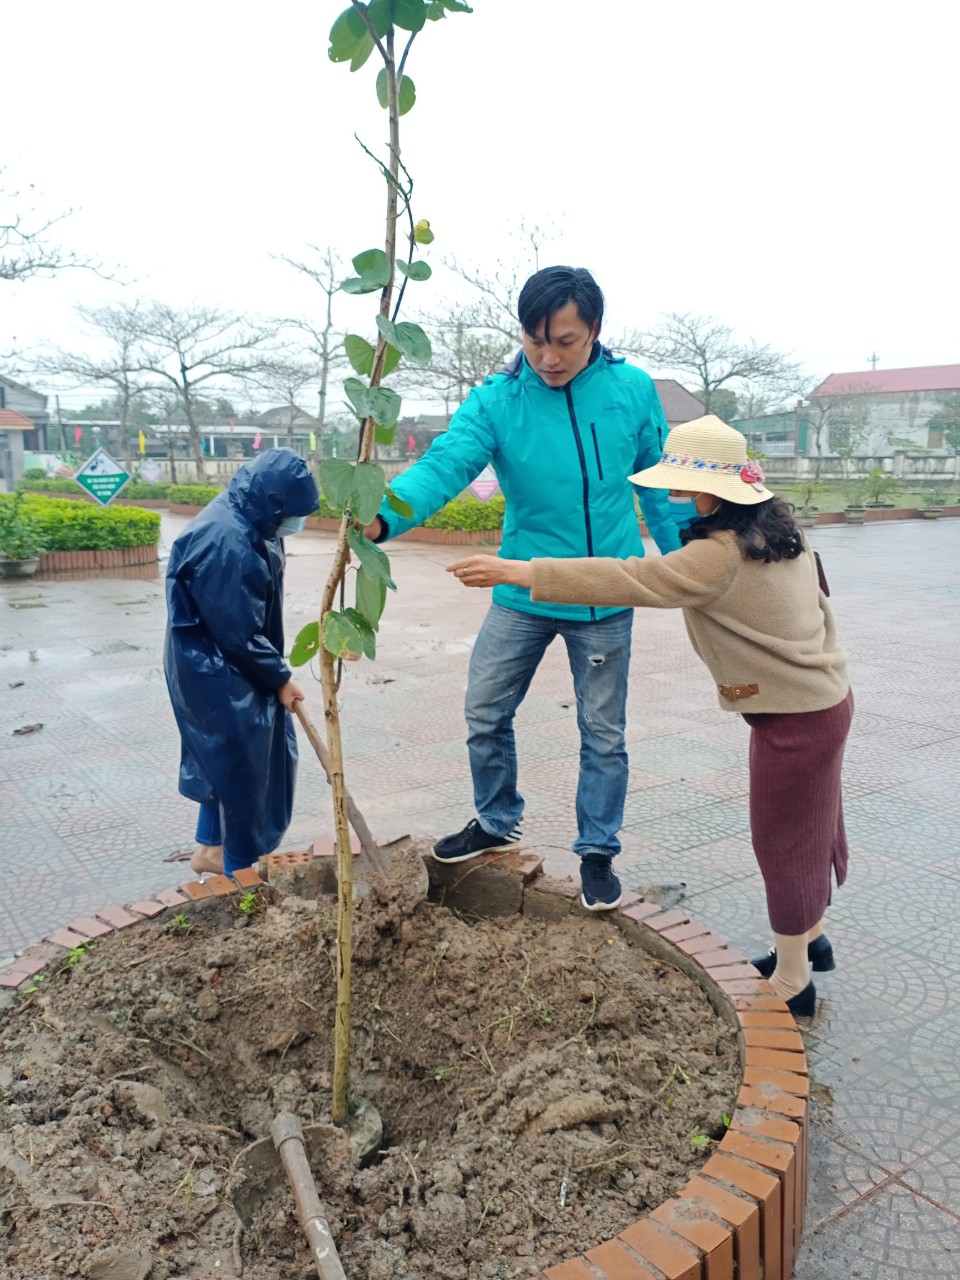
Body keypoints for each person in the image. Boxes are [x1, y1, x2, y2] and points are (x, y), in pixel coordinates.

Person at [447, 415, 853, 1017]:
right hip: (824, 700)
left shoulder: (718, 555)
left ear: (715, 491)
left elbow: (629, 577)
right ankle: (807, 941)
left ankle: (794, 980)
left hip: (794, 718)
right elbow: (821, 602)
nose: (678, 496)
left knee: (785, 842)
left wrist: (517, 571)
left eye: (687, 486)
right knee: (812, 826)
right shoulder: (782, 531)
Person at [364, 265, 682, 910]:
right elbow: (446, 465)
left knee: (603, 732)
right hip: (523, 592)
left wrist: (685, 567)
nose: (548, 356)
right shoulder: (497, 400)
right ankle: (494, 818)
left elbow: (658, 480)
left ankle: (598, 850)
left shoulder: (631, 390)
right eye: (536, 340)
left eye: (564, 340)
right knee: (485, 710)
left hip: (604, 594)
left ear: (594, 329)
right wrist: (383, 517)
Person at [164, 447, 320, 877]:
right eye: (293, 513)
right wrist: (280, 676)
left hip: (215, 661)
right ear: (273, 502)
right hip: (219, 669)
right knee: (244, 772)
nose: (296, 522)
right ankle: (239, 874)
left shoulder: (248, 518)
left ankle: (211, 851)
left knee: (225, 762)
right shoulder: (228, 541)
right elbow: (239, 633)